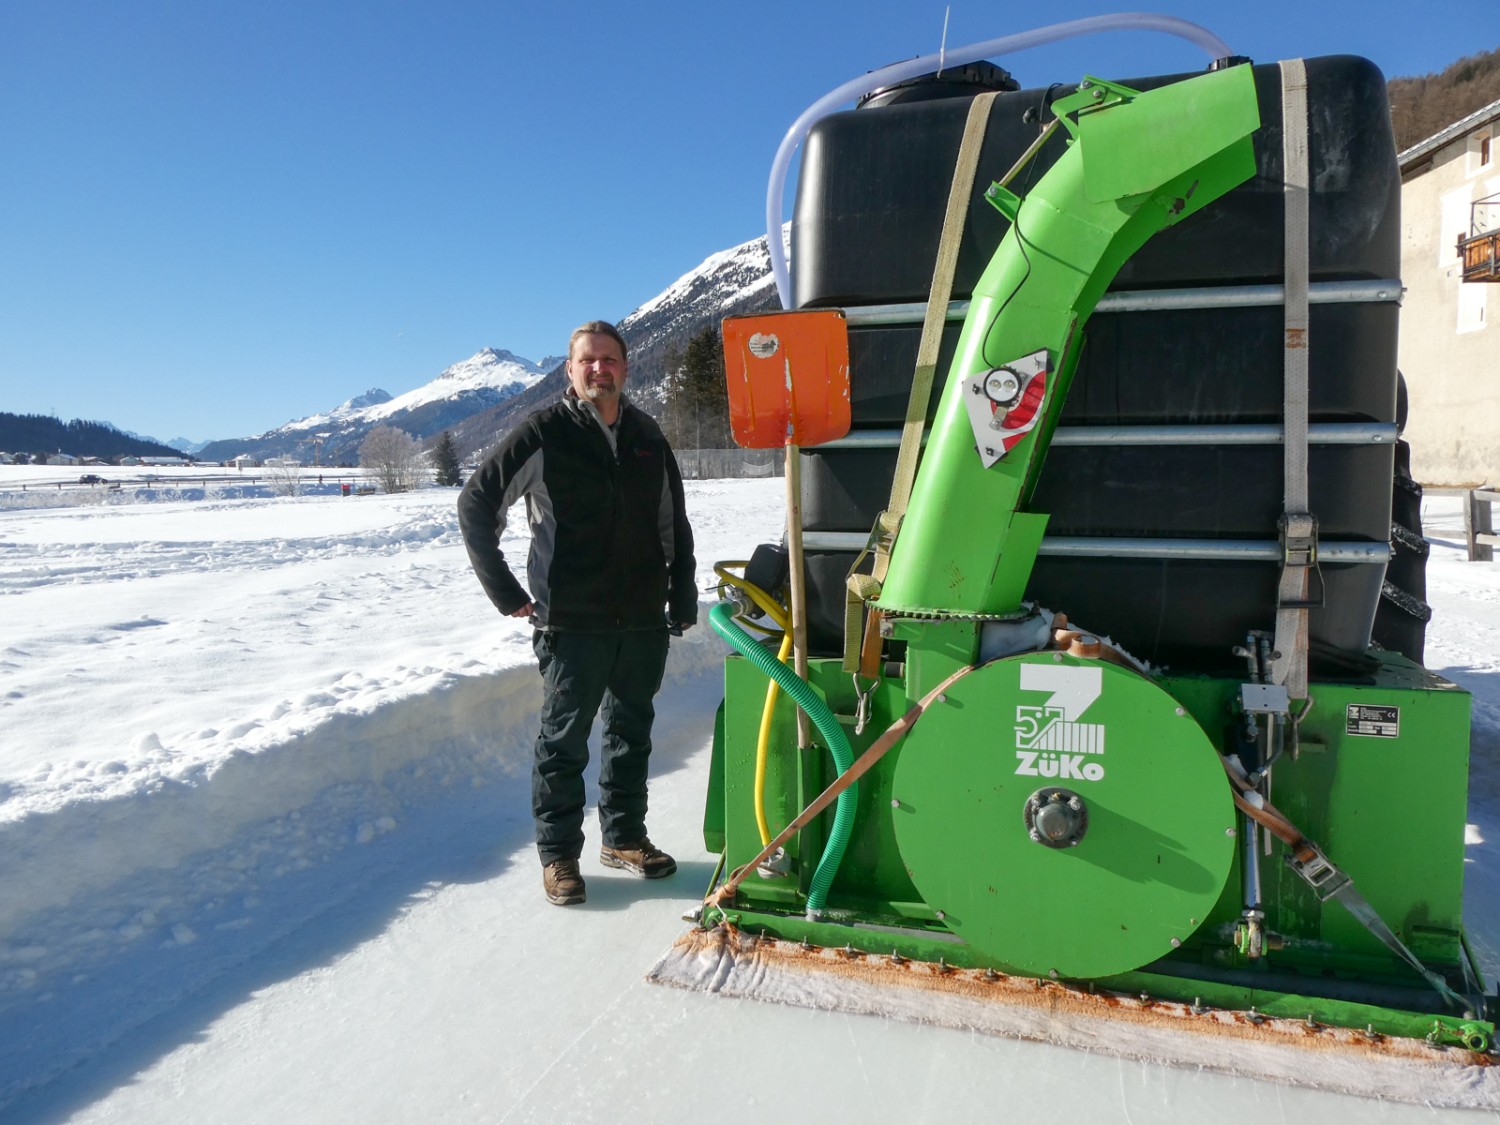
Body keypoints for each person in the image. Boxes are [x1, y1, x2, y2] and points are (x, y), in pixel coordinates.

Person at [458, 320, 698, 906]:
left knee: (631, 734)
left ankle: (624, 838)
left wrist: (682, 590)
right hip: (572, 621)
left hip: (641, 618)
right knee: (563, 742)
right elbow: (476, 504)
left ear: (625, 367)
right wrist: (506, 590)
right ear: (570, 370)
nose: (599, 370)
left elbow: (674, 524)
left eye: (609, 360)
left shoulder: (646, 435)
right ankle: (559, 856)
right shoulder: (544, 433)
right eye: (587, 361)